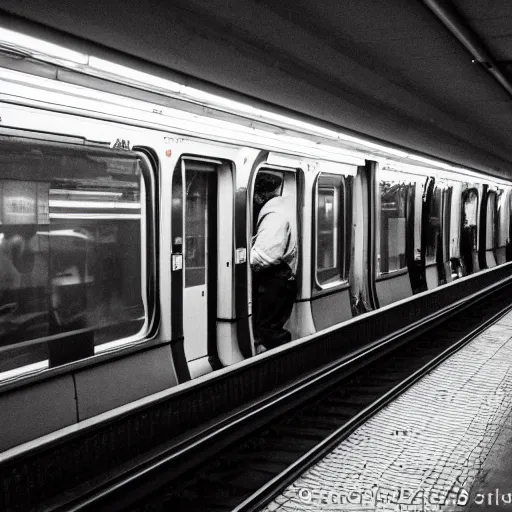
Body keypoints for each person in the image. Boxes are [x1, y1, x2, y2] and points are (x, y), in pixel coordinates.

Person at [251, 173, 298, 352]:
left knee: (268, 330)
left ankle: (281, 369)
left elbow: (265, 255)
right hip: (285, 278)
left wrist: (236, 262)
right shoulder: (286, 205)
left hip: (276, 279)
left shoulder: (274, 212)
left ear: (259, 195)